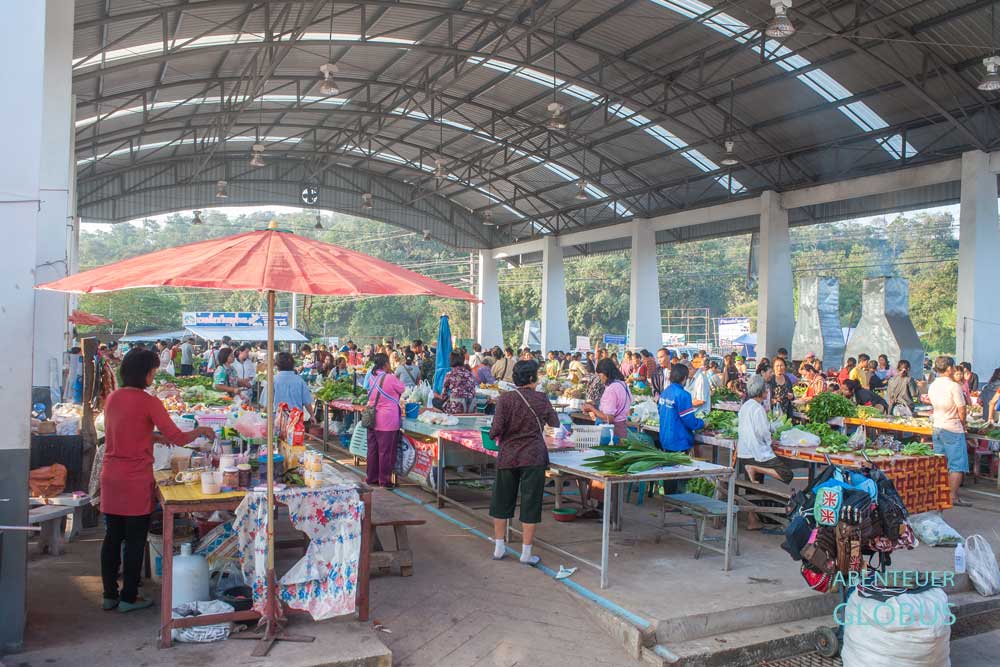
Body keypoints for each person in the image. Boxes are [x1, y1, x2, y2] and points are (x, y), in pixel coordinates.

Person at [101, 349, 215, 612]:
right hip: (135, 479)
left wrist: (151, 437)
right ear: (146, 373)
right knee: (134, 540)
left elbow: (122, 431)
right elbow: (177, 437)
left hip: (111, 476)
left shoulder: (113, 398)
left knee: (112, 537)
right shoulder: (148, 401)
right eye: (153, 370)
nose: (154, 374)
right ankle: (129, 598)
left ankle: (109, 595)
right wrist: (200, 430)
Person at [488, 360, 559, 566]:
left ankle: (499, 547)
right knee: (530, 503)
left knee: (501, 501)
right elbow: (555, 422)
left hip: (508, 456)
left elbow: (495, 431)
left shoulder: (505, 399)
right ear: (531, 378)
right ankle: (526, 553)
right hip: (533, 456)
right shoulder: (541, 398)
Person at [736, 374, 794, 530]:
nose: (768, 392)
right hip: (757, 453)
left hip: (744, 452)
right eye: (766, 390)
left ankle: (752, 521)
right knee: (787, 474)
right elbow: (763, 433)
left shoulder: (746, 406)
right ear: (761, 392)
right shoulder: (758, 409)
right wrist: (770, 441)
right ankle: (756, 468)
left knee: (752, 487)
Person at [928, 357, 969, 506]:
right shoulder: (954, 386)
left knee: (940, 462)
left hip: (937, 426)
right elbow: (962, 409)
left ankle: (939, 495)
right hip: (952, 428)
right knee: (957, 465)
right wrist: (963, 424)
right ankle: (952, 497)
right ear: (949, 369)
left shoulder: (932, 385)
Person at [364, 353, 405, 489]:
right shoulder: (390, 378)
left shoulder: (371, 377)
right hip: (387, 420)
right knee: (386, 452)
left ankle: (371, 477)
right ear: (386, 364)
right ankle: (384, 480)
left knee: (372, 450)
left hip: (371, 418)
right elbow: (402, 388)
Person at [657, 363, 705, 453]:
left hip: (665, 437)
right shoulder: (683, 395)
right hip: (679, 440)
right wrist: (702, 423)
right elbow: (689, 420)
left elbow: (660, 412)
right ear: (684, 378)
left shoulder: (664, 392)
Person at [582, 359, 633, 441]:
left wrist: (591, 408)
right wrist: (596, 405)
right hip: (622, 429)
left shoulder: (611, 389)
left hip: (611, 433)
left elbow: (609, 418)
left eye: (600, 375)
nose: (599, 378)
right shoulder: (623, 384)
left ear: (606, 373)